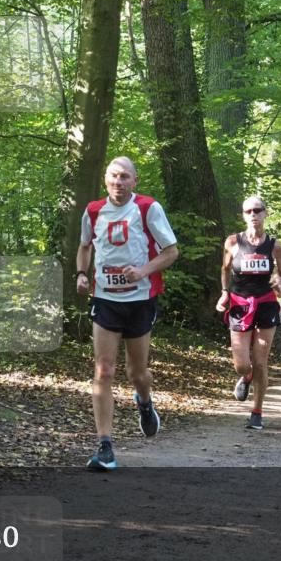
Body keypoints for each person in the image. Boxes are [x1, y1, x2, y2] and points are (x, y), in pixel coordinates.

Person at [76, 157, 179, 470]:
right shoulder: (93, 211)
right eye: (113, 176)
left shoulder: (148, 208)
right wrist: (81, 273)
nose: (118, 183)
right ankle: (105, 446)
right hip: (105, 299)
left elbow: (171, 251)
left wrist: (144, 270)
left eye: (124, 177)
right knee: (104, 370)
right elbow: (84, 246)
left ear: (134, 181)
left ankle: (144, 402)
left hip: (140, 300)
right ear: (106, 179)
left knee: (138, 373)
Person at [216, 196, 281, 431]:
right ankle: (245, 377)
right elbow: (225, 269)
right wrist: (225, 292)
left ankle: (257, 412)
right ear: (243, 215)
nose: (253, 215)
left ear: (265, 213)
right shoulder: (232, 242)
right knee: (242, 364)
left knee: (260, 362)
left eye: (257, 210)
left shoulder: (275, 245)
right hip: (239, 304)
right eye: (248, 211)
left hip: (266, 303)